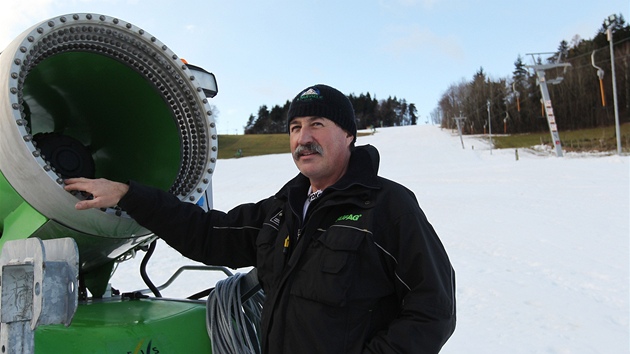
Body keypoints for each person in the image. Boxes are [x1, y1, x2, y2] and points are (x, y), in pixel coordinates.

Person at [64, 84, 456, 353]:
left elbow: (432, 310)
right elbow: (208, 233)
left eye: (317, 124)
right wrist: (131, 196)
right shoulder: (282, 209)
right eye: (295, 128)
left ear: (350, 135)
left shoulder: (388, 207)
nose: (304, 138)